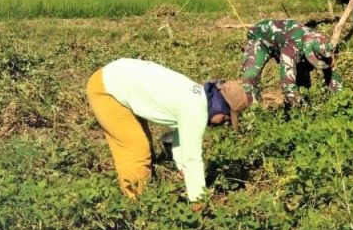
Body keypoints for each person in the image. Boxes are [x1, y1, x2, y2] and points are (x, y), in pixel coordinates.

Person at [86, 58, 247, 201]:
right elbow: (193, 159)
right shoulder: (196, 109)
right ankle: (138, 207)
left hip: (115, 77)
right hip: (106, 90)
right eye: (226, 117)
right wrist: (199, 200)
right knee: (137, 150)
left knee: (143, 142)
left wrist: (180, 166)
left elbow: (181, 133)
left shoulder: (197, 96)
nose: (223, 123)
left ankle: (144, 195)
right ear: (220, 106)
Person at [240, 19, 342, 108]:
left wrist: (338, 99)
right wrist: (302, 109)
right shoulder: (292, 46)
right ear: (308, 50)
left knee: (303, 77)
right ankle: (253, 111)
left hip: (285, 39)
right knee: (251, 75)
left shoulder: (322, 43)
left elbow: (332, 71)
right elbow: (287, 83)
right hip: (260, 37)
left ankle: (299, 103)